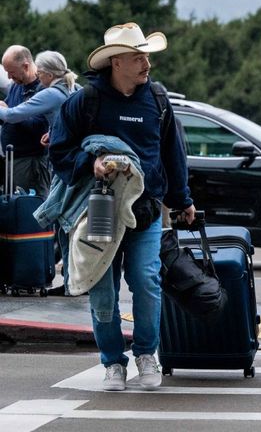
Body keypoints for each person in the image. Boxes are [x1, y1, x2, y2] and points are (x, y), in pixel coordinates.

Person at [49, 22, 196, 391]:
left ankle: (147, 354)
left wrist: (183, 201)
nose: (147, 64)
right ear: (116, 63)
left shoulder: (158, 99)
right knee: (103, 291)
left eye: (146, 56)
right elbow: (59, 151)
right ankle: (113, 361)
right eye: (138, 57)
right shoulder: (85, 101)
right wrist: (90, 164)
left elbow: (172, 154)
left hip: (145, 209)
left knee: (147, 281)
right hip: (98, 210)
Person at [0, 50, 83, 296]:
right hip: (73, 163)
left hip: (62, 166)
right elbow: (72, 123)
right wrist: (55, 133)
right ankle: (72, 282)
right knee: (68, 224)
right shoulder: (73, 88)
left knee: (54, 218)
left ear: (46, 73)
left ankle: (62, 279)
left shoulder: (51, 92)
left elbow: (14, 115)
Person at [0, 45, 49, 198]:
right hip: (12, 159)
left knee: (30, 209)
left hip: (31, 162)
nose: (8, 78)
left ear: (25, 66)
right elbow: (8, 113)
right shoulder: (17, 86)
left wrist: (10, 114)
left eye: (12, 72)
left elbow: (40, 128)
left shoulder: (43, 89)